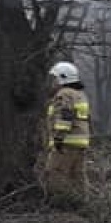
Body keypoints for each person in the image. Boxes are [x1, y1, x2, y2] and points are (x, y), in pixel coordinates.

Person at [42, 60, 91, 205]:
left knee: (54, 172)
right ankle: (81, 203)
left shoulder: (64, 94)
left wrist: (58, 138)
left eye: (55, 78)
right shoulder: (80, 94)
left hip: (66, 142)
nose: (53, 82)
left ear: (63, 78)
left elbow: (64, 117)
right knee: (77, 175)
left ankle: (59, 203)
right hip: (80, 142)